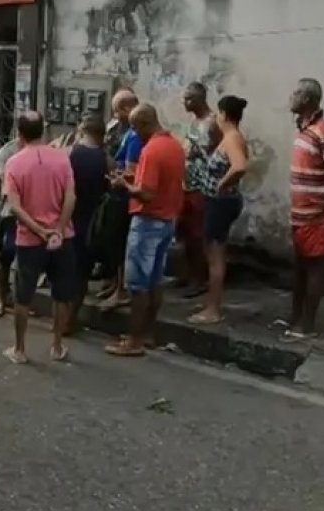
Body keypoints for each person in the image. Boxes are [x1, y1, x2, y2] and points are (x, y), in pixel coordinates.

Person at [105, 103, 185, 357]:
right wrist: (133, 180)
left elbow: (147, 193)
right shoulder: (174, 145)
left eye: (134, 126)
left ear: (144, 124)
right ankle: (148, 333)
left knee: (137, 284)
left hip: (148, 220)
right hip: (167, 220)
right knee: (154, 281)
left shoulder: (151, 150)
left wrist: (124, 185)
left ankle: (134, 340)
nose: (133, 133)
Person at [0, 111, 77, 364]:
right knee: (61, 293)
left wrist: (40, 231)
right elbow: (70, 197)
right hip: (62, 238)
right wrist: (58, 228)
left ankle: (20, 349)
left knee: (23, 295)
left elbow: (14, 207)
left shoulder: (14, 163)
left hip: (30, 241)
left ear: (19, 134)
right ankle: (57, 345)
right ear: (43, 131)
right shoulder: (62, 159)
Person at [189, 95, 249, 325]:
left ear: (224, 114)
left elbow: (240, 166)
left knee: (215, 256)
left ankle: (213, 309)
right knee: (212, 252)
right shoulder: (229, 137)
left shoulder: (233, 138)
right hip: (220, 202)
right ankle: (210, 302)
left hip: (221, 202)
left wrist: (222, 184)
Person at [282, 78, 324, 341]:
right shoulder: (305, 129)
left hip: (316, 216)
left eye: (297, 93)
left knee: (315, 270)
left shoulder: (323, 130)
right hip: (299, 215)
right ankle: (295, 320)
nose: (292, 96)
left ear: (309, 99)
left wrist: (323, 207)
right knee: (300, 268)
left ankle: (307, 326)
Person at [65, 113, 111, 334]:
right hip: (93, 224)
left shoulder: (71, 155)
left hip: (68, 220)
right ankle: (71, 319)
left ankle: (61, 320)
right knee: (82, 274)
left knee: (65, 272)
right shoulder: (105, 159)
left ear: (81, 131)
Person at [97, 89, 140, 309]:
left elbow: (131, 170)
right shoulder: (124, 131)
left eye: (116, 111)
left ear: (126, 108)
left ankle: (121, 290)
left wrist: (116, 175)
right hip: (118, 190)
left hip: (123, 194)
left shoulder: (134, 136)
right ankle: (115, 285)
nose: (114, 116)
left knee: (120, 242)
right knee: (113, 242)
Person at [177, 83, 220, 299]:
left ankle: (199, 279)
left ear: (201, 99)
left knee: (197, 235)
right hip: (187, 183)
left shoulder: (212, 123)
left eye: (189, 99)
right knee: (186, 233)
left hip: (201, 186)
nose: (185, 103)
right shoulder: (194, 122)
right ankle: (188, 274)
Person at [0, 130, 21, 318]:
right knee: (6, 256)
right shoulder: (7, 153)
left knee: (26, 261)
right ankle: (1, 298)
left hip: (35, 215)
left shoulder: (43, 152)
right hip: (11, 213)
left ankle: (20, 300)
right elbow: (6, 186)